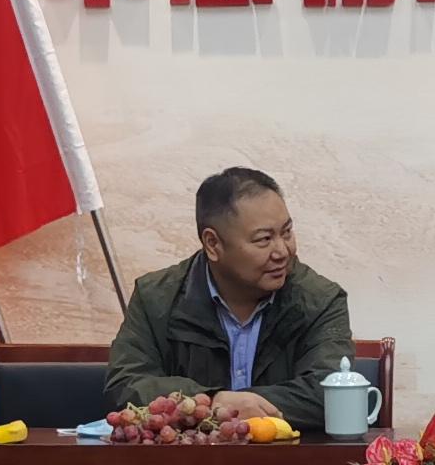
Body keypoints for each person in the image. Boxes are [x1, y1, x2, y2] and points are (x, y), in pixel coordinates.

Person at [101, 167, 352, 427]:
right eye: (264, 239)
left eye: (286, 232)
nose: (282, 251)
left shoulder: (320, 300)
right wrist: (213, 401)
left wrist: (237, 407)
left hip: (289, 451)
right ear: (213, 244)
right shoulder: (156, 298)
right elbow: (125, 387)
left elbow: (331, 393)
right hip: (189, 453)